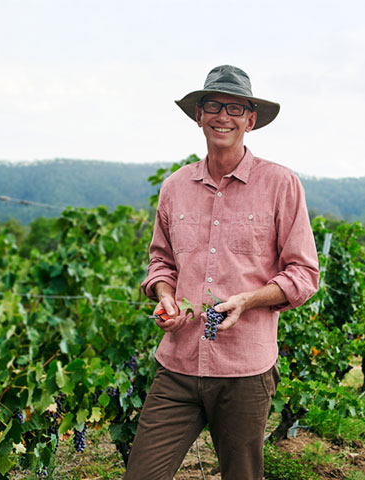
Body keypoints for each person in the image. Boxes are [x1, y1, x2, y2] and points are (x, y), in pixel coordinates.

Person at [125, 65, 320, 479]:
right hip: (177, 365)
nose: (223, 116)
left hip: (244, 371)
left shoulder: (281, 184)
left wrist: (249, 300)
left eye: (235, 107)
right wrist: (165, 296)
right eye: (213, 105)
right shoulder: (174, 186)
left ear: (251, 120)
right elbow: (161, 262)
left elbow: (303, 274)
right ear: (199, 115)